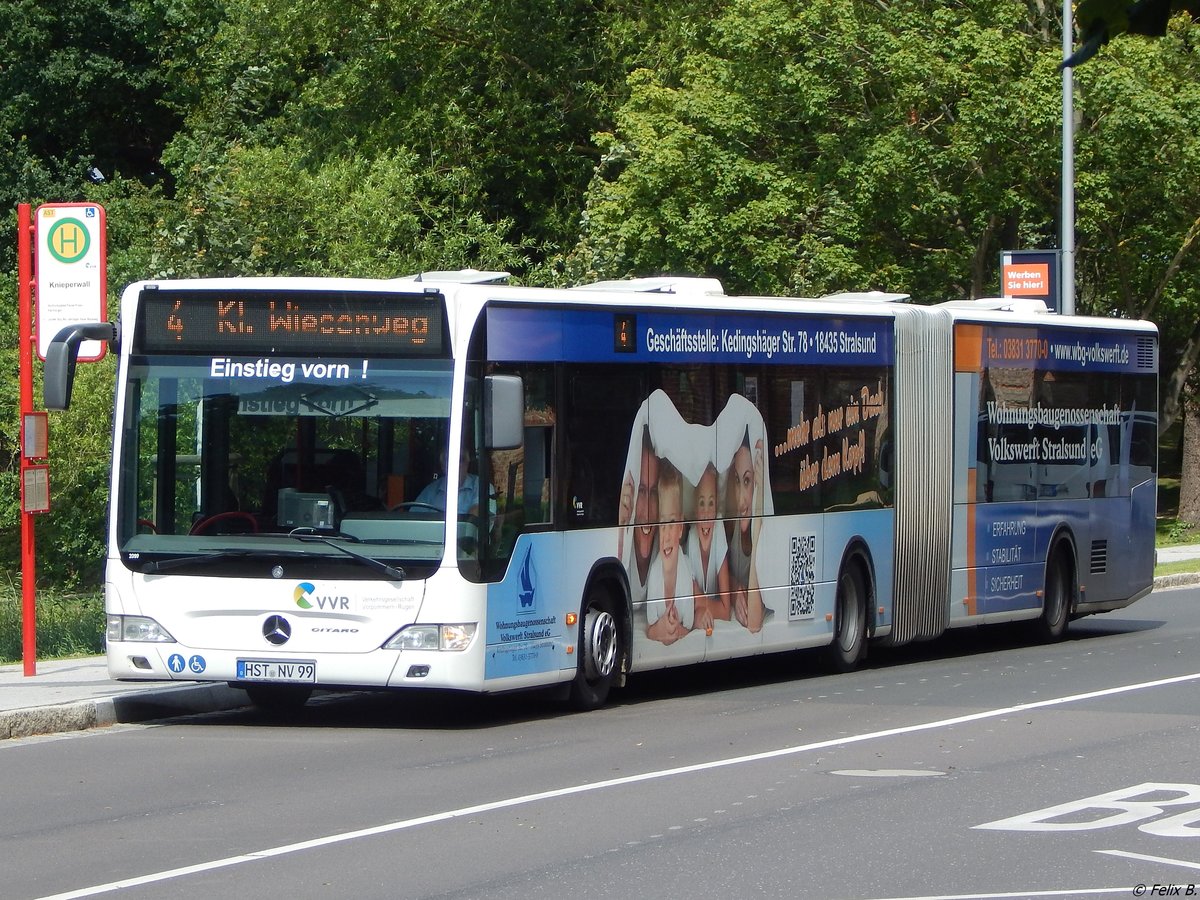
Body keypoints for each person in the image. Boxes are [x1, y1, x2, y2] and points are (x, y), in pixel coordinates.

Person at [645, 460, 695, 644]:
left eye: (672, 523)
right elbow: (651, 628)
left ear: (681, 527)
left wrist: (676, 630)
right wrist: (662, 627)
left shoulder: (687, 573)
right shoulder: (654, 575)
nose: (666, 535)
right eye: (662, 524)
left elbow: (688, 624)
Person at [688, 462, 731, 628]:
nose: (706, 514)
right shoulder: (691, 540)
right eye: (701, 503)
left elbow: (726, 611)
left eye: (711, 503)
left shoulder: (718, 528)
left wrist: (699, 602)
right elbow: (689, 603)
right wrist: (705, 605)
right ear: (695, 510)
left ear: (717, 509)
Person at [416, 448, 494, 516]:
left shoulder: (481, 485)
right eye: (449, 459)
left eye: (460, 459)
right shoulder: (431, 490)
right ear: (443, 465)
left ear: (468, 462)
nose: (456, 463)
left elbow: (474, 520)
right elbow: (415, 519)